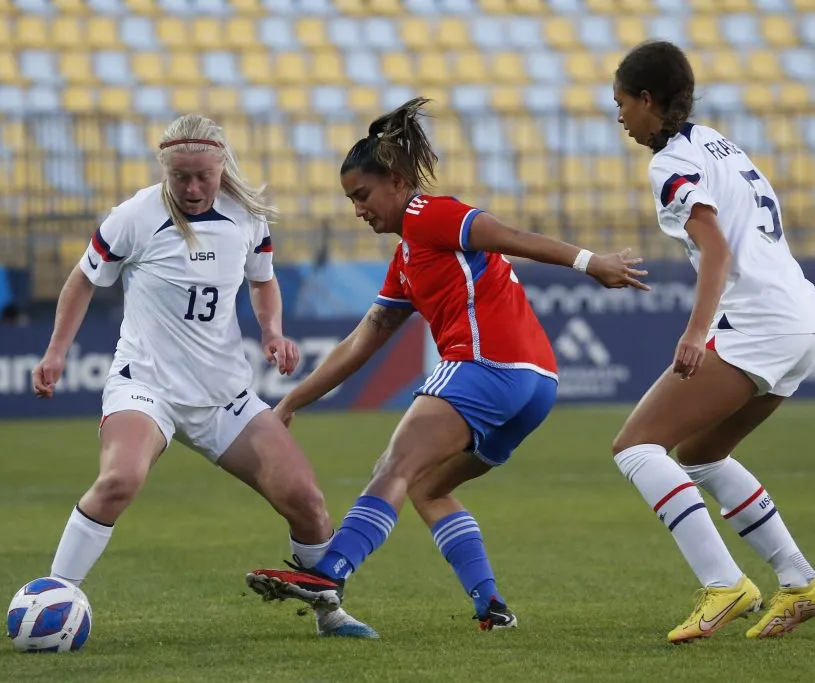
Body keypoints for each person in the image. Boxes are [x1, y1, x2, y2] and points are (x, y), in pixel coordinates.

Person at [244, 98, 648, 631]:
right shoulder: (407, 258)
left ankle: (331, 574)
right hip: (536, 386)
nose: (359, 209)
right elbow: (363, 342)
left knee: (394, 467)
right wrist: (292, 400)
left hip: (486, 366)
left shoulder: (428, 214)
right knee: (426, 486)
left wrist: (590, 262)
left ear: (395, 179)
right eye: (350, 200)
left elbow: (511, 236)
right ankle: (491, 606)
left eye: (362, 195)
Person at [31, 114, 377, 639]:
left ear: (222, 167)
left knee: (306, 499)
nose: (192, 188)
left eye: (203, 177)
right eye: (181, 177)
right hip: (147, 387)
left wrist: (272, 332)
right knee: (119, 480)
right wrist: (56, 352)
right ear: (165, 171)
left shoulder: (246, 217)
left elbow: (263, 281)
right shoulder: (134, 216)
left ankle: (330, 614)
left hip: (224, 396)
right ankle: (51, 602)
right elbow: (82, 280)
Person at [609, 41, 815, 643]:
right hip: (803, 319)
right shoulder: (716, 141)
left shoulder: (668, 165)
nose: (620, 118)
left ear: (648, 100)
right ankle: (801, 583)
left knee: (635, 447)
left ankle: (724, 584)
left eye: (622, 103)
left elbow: (716, 248)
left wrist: (695, 333)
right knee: (701, 454)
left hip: (758, 322)